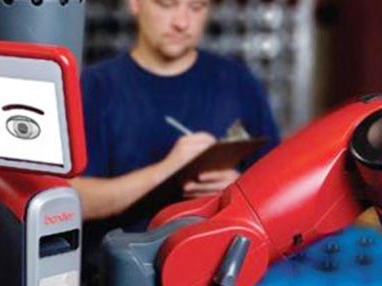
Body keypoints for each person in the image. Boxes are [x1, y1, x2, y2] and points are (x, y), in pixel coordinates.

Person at [72, 0, 282, 224]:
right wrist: (167, 170)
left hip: (218, 244)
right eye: (166, 5)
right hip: (123, 246)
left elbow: (279, 188)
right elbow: (73, 201)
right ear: (135, 4)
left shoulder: (238, 82)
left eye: (196, 7)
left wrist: (239, 193)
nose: (181, 23)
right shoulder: (96, 86)